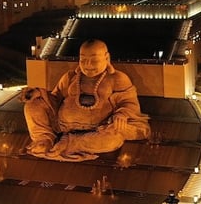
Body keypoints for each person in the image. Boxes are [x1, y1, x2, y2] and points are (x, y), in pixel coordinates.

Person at [20, 39, 151, 161]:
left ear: (107, 58)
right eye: (83, 60)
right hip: (63, 126)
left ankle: (71, 143)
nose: (88, 65)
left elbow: (129, 102)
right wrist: (39, 93)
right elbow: (55, 99)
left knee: (113, 140)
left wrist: (121, 114)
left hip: (98, 130)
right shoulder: (70, 77)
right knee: (32, 105)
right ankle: (44, 139)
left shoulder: (117, 78)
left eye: (94, 61)